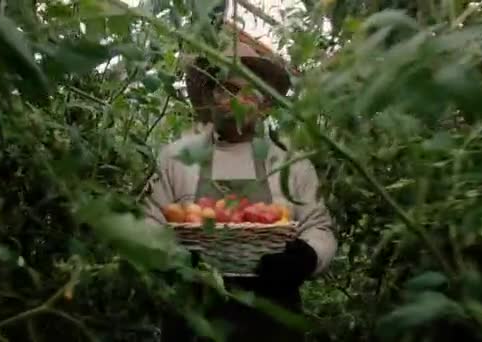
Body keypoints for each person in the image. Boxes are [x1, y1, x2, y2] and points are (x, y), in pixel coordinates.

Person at [142, 39, 338, 341]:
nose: (236, 100)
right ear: (210, 95)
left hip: (272, 319)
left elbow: (319, 227)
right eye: (228, 89)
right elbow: (148, 223)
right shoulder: (176, 159)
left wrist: (305, 257)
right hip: (194, 318)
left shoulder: (290, 164)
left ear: (265, 104)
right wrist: (172, 256)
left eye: (249, 91)